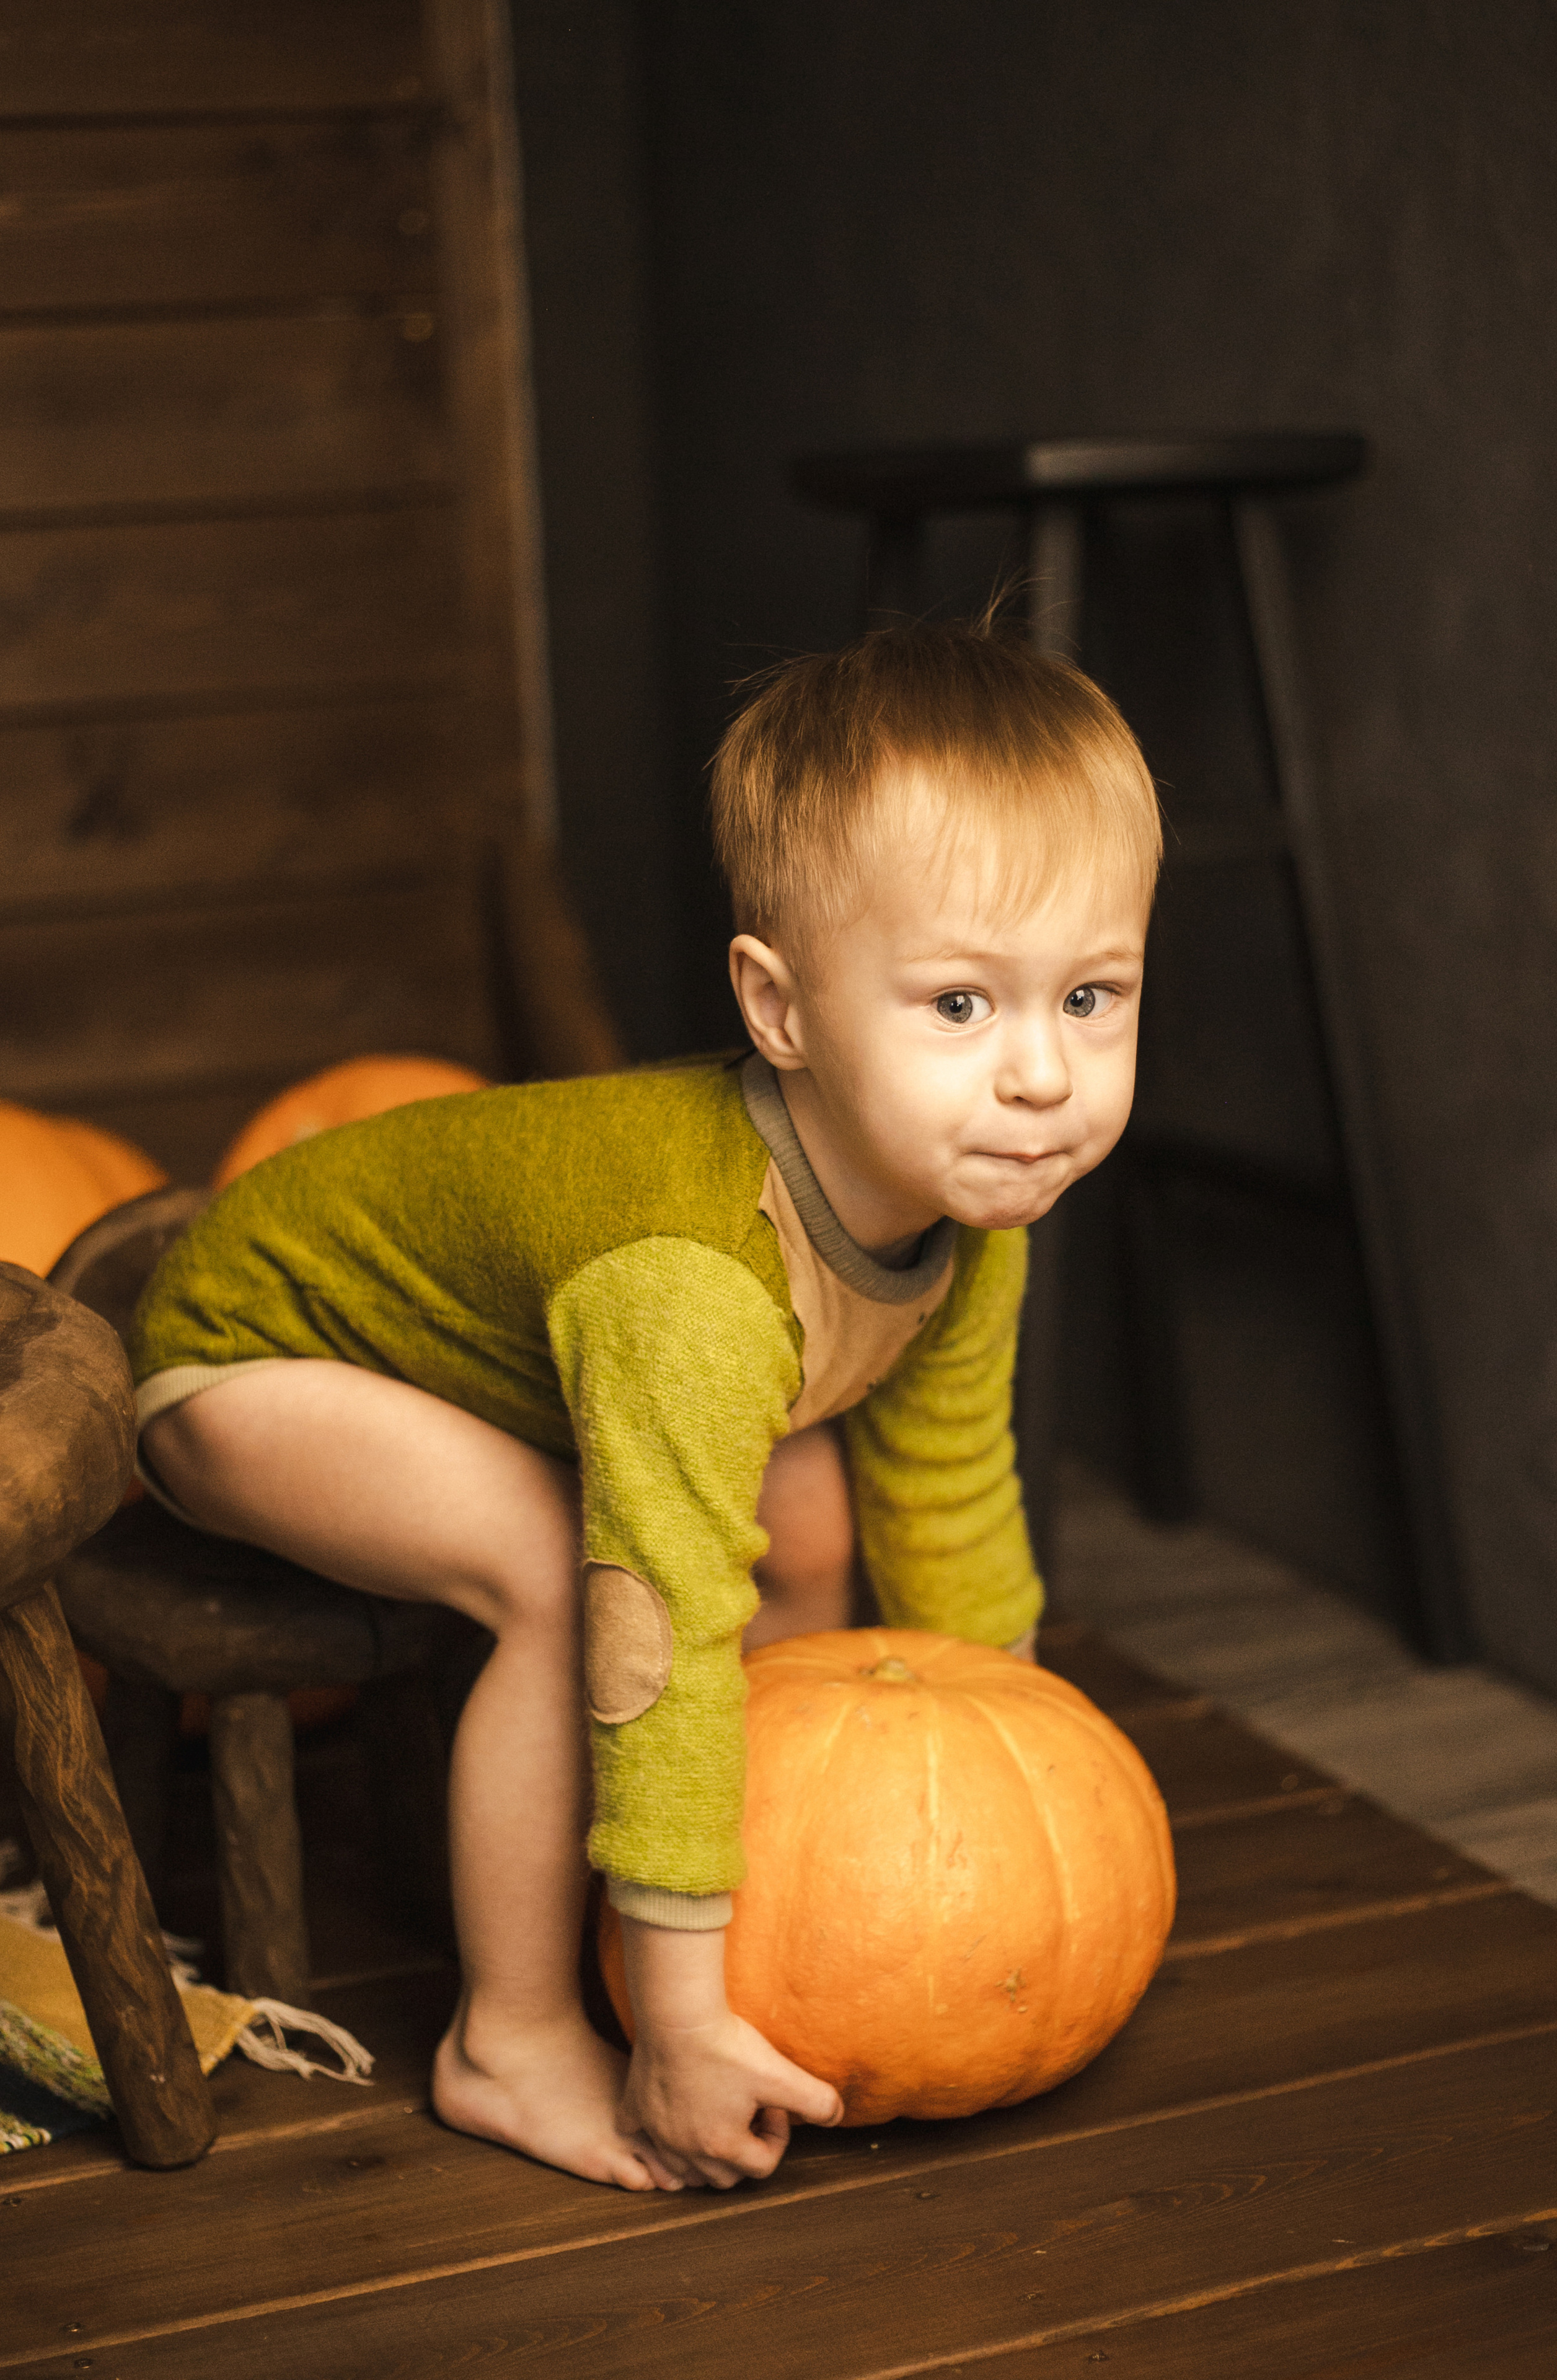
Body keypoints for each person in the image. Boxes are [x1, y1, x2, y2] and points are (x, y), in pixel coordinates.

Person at [130, 617, 1161, 2193]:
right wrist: (670, 2030)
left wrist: (1011, 1787)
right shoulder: (689, 1279)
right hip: (257, 1363)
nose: (1040, 1076)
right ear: (780, 1007)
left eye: (1089, 998)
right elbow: (656, 1630)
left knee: (813, 1513)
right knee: (566, 1586)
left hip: (493, 1370)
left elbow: (947, 1502)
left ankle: (775, 1926)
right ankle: (516, 2034)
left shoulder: (971, 1195)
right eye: (959, 1005)